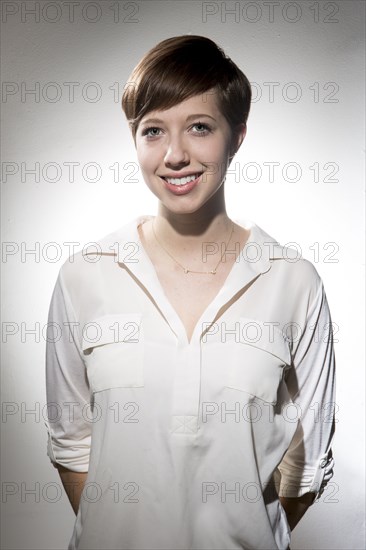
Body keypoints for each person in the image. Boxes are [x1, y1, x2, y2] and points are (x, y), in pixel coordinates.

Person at [45, 35, 336, 550]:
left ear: (238, 135)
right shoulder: (84, 275)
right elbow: (72, 444)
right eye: (153, 130)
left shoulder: (294, 282)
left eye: (199, 127)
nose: (175, 155)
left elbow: (308, 461)